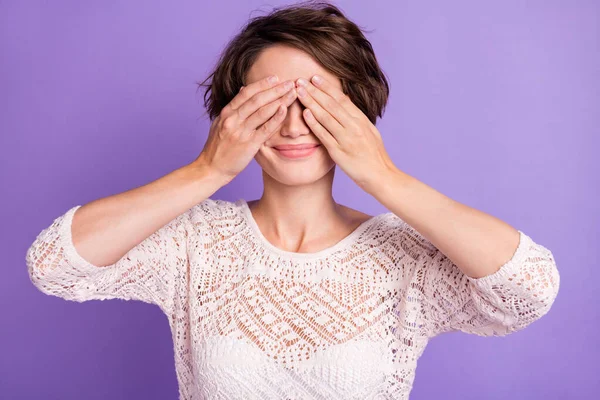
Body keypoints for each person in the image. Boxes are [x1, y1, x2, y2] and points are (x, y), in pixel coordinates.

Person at [25, 1, 561, 399]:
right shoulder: (192, 243)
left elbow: (529, 289)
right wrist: (207, 169)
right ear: (233, 113)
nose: (291, 125)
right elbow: (53, 266)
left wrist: (383, 175)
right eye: (270, 101)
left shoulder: (403, 258)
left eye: (316, 101)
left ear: (358, 111)